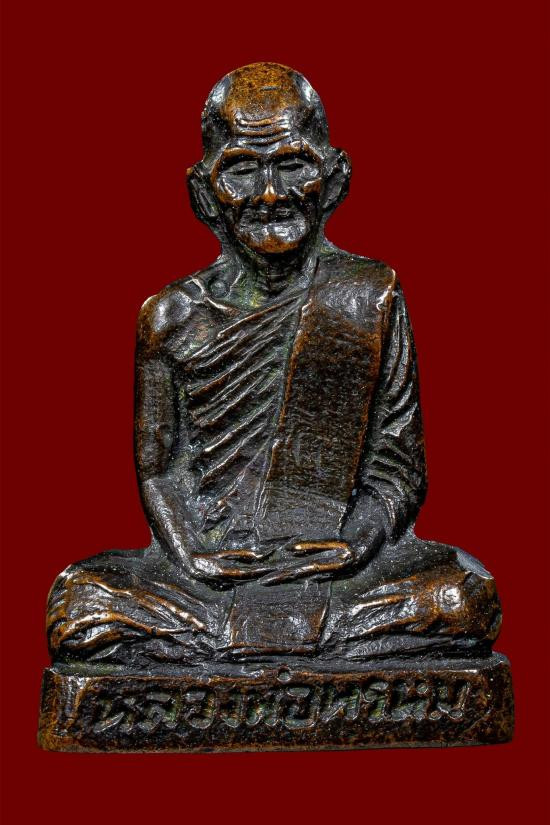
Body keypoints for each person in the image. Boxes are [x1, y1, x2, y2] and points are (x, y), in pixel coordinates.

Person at [47, 63, 501, 667]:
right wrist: (192, 557)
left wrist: (357, 544)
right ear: (203, 192)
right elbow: (159, 469)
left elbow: (397, 466)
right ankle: (302, 645)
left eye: (292, 164)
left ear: (334, 178)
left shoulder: (367, 296)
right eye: (241, 169)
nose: (269, 194)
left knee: (464, 594)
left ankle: (228, 647)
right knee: (78, 602)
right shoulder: (171, 316)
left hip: (335, 569)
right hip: (213, 575)